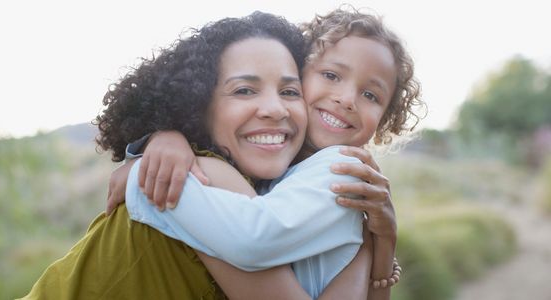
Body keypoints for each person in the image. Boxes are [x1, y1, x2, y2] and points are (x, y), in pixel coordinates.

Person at [23, 11, 376, 300]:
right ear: (197, 105)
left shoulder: (273, 194)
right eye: (243, 90)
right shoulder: (204, 179)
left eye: (288, 90)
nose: (274, 108)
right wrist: (368, 245)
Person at [111, 7, 423, 300]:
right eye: (331, 76)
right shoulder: (273, 173)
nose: (347, 99)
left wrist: (143, 180)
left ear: (385, 119)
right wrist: (162, 139)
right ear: (301, 75)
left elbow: (255, 238)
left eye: (370, 95)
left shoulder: (342, 167)